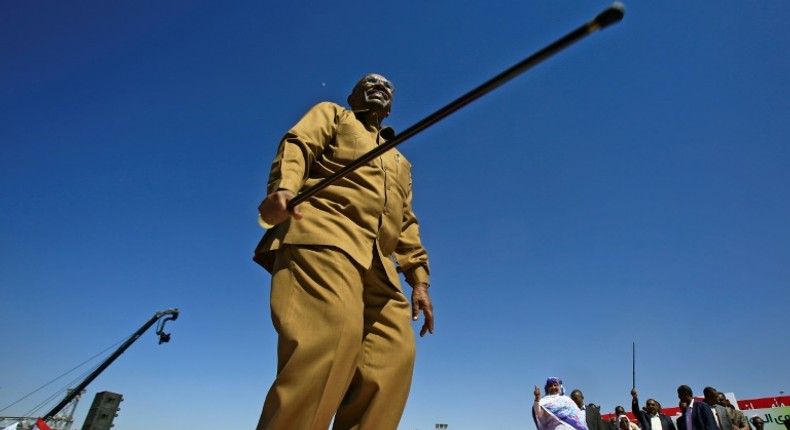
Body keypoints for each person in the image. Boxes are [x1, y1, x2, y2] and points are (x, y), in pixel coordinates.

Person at [253, 73, 435, 430]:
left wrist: (420, 280)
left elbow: (407, 221)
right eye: (370, 82)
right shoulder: (334, 115)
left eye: (388, 87)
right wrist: (284, 189)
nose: (381, 87)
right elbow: (298, 145)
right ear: (353, 95)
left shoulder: (401, 161)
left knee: (394, 358)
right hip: (324, 235)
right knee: (332, 340)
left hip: (380, 264)